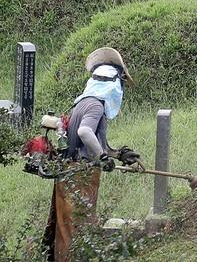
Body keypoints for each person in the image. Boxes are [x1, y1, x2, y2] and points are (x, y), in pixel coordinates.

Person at [43, 47, 137, 262]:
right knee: (76, 228)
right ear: (111, 84)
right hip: (80, 175)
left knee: (67, 228)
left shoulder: (83, 103)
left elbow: (89, 141)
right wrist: (103, 158)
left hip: (71, 172)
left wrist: (117, 153)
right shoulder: (95, 105)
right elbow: (84, 132)